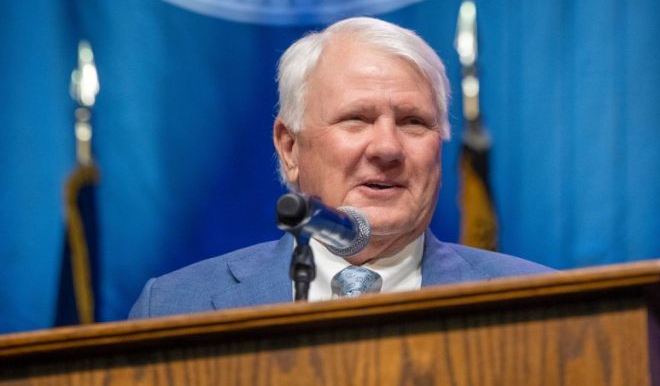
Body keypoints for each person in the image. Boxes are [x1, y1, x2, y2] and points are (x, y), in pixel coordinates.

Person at [129, 17, 550, 317]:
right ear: (290, 147)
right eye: (357, 119)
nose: (387, 147)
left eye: (413, 122)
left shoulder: (538, 307)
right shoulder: (173, 306)